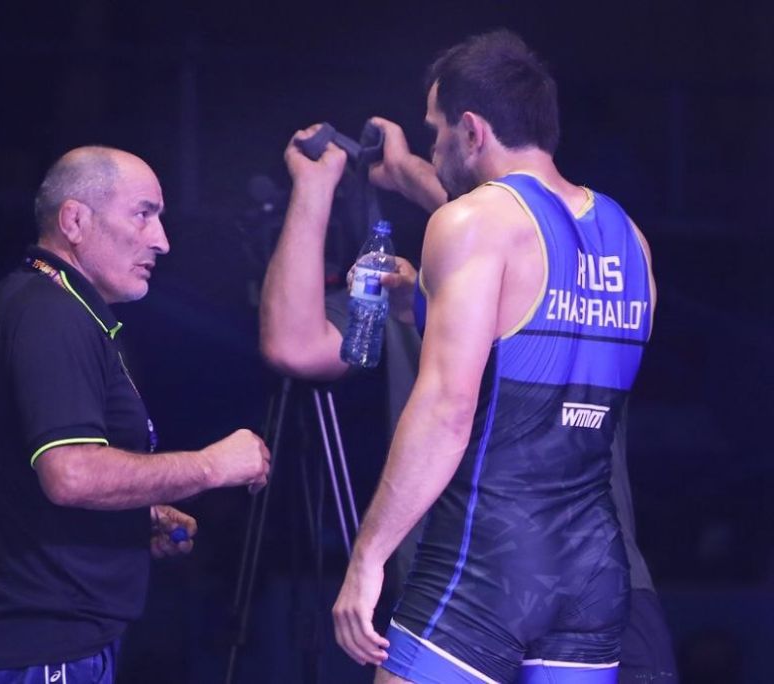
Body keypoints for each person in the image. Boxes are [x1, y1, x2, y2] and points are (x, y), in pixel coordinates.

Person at [267, 29, 661, 683]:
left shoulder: (473, 222)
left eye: (436, 131)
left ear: (472, 130)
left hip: (489, 560)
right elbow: (547, 351)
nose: (433, 149)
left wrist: (367, 557)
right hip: (594, 569)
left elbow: (448, 412)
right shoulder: (631, 240)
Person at [0, 146, 271, 683]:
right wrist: (212, 466)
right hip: (40, 646)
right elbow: (70, 473)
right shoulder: (49, 314)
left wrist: (132, 514)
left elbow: (28, 479)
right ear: (74, 221)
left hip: (45, 641)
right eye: (143, 214)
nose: (161, 240)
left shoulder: (46, 306)